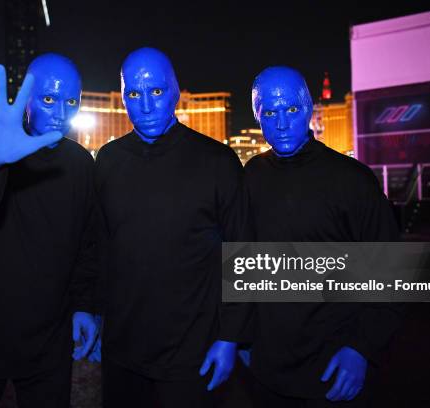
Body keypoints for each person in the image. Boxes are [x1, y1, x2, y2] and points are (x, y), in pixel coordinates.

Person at [94, 47, 251, 408]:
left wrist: (230, 338)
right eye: (134, 94)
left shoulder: (218, 161)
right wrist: (90, 309)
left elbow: (242, 251)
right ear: (123, 99)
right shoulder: (108, 160)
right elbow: (100, 246)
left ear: (177, 91)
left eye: (157, 91)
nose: (146, 105)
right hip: (123, 350)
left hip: (192, 352)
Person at [0, 54, 99, 408]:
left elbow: (87, 243)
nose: (61, 112)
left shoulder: (80, 164)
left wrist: (85, 307)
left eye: (71, 101)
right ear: (25, 99)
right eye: (49, 99)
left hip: (50, 339)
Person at [243, 66, 401, 407]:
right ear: (257, 115)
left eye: (292, 110)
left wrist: (362, 348)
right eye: (270, 112)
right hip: (268, 369)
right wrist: (241, 338)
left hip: (336, 367)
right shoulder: (250, 177)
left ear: (310, 108)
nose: (282, 123)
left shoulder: (353, 180)